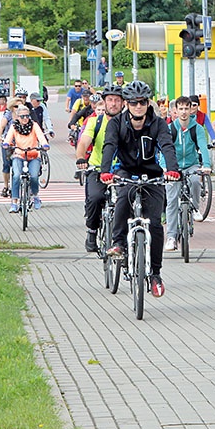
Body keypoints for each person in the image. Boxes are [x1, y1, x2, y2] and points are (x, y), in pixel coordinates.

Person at [99, 81, 180, 297]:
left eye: (142, 102)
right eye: (133, 103)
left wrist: (172, 169)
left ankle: (155, 274)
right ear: (127, 104)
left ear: (147, 103)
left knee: (154, 223)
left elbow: (167, 145)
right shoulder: (116, 123)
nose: (138, 107)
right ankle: (118, 243)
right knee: (123, 199)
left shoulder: (158, 123)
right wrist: (105, 171)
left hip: (152, 174)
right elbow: (109, 146)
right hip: (126, 171)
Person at [75, 84, 124, 252]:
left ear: (123, 103)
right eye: (110, 100)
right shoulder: (95, 122)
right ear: (104, 102)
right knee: (95, 199)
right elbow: (83, 142)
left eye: (117, 100)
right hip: (97, 169)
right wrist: (81, 158)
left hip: (121, 171)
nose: (113, 104)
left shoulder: (127, 122)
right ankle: (92, 231)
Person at [164, 96, 212, 251]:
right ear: (175, 111)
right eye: (181, 109)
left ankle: (196, 208)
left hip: (191, 164)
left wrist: (206, 165)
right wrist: (165, 167)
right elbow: (164, 149)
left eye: (187, 108)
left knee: (196, 181)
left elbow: (203, 147)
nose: (184, 112)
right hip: (174, 167)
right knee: (171, 201)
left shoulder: (197, 128)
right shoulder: (170, 128)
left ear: (191, 110)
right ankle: (171, 237)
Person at [2, 104, 51, 212]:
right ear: (17, 117)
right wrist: (6, 143)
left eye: (27, 116)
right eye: (22, 116)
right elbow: (9, 137)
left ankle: (35, 196)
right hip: (19, 155)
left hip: (33, 155)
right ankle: (14, 202)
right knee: (16, 176)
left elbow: (41, 136)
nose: (25, 118)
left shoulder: (34, 125)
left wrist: (44, 144)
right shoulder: (14, 127)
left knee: (34, 176)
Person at [0, 97, 21, 197]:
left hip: (20, 143)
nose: (18, 108)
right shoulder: (8, 115)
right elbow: (1, 127)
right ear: (11, 107)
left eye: (20, 106)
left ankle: (16, 187)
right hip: (8, 142)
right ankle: (6, 186)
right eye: (16, 106)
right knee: (7, 165)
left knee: (18, 165)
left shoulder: (24, 116)